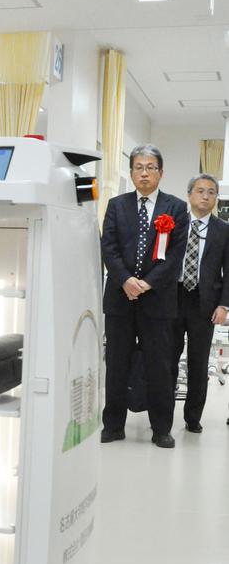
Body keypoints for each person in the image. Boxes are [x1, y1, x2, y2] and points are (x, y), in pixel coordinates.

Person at [101, 144, 189, 448]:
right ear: (131, 172)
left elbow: (175, 254)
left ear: (161, 173)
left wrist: (147, 284)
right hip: (119, 298)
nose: (144, 173)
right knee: (116, 364)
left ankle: (161, 428)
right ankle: (113, 425)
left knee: (159, 366)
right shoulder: (116, 205)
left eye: (150, 168)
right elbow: (108, 247)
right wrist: (125, 279)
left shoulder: (176, 208)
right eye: (138, 167)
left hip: (158, 302)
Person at [170, 173, 229, 432]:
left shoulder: (223, 230)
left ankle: (192, 418)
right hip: (172, 299)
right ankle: (162, 414)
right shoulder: (174, 224)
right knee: (166, 359)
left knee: (198, 362)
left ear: (216, 198)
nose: (205, 196)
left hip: (204, 303)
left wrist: (224, 305)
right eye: (200, 191)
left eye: (211, 192)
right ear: (189, 194)